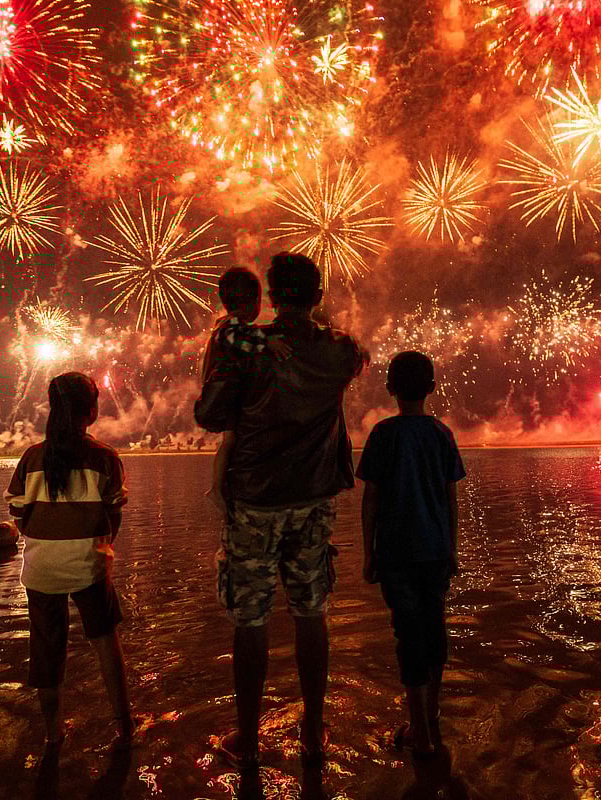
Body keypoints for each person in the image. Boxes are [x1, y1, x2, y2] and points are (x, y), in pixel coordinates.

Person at [194, 252, 367, 782]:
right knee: (311, 612)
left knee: (250, 618)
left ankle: (247, 739)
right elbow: (352, 352)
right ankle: (312, 732)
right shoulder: (336, 351)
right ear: (317, 296)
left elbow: (208, 414)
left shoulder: (249, 348)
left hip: (253, 501)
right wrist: (316, 320)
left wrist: (217, 350)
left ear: (270, 298)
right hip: (312, 501)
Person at [4, 372, 133, 750]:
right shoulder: (105, 458)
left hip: (40, 569)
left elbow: (18, 513)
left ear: (53, 408)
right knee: (106, 641)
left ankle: (53, 732)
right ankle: (124, 727)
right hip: (89, 566)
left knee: (45, 648)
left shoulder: (32, 457)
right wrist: (101, 545)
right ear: (90, 412)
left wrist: (44, 535)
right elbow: (115, 514)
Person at [356, 351, 466, 759]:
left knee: (408, 634)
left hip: (397, 554)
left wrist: (369, 554)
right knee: (434, 627)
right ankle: (431, 713)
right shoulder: (442, 434)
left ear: (390, 389)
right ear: (432, 389)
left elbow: (371, 499)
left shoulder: (383, 435)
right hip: (436, 552)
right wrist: (452, 548)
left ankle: (418, 728)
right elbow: (451, 499)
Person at [202, 267, 289, 515]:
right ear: (254, 302)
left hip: (225, 395)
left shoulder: (224, 326)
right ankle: (216, 489)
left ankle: (217, 488)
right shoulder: (230, 328)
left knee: (229, 442)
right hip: (229, 398)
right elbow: (238, 339)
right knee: (229, 442)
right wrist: (266, 342)